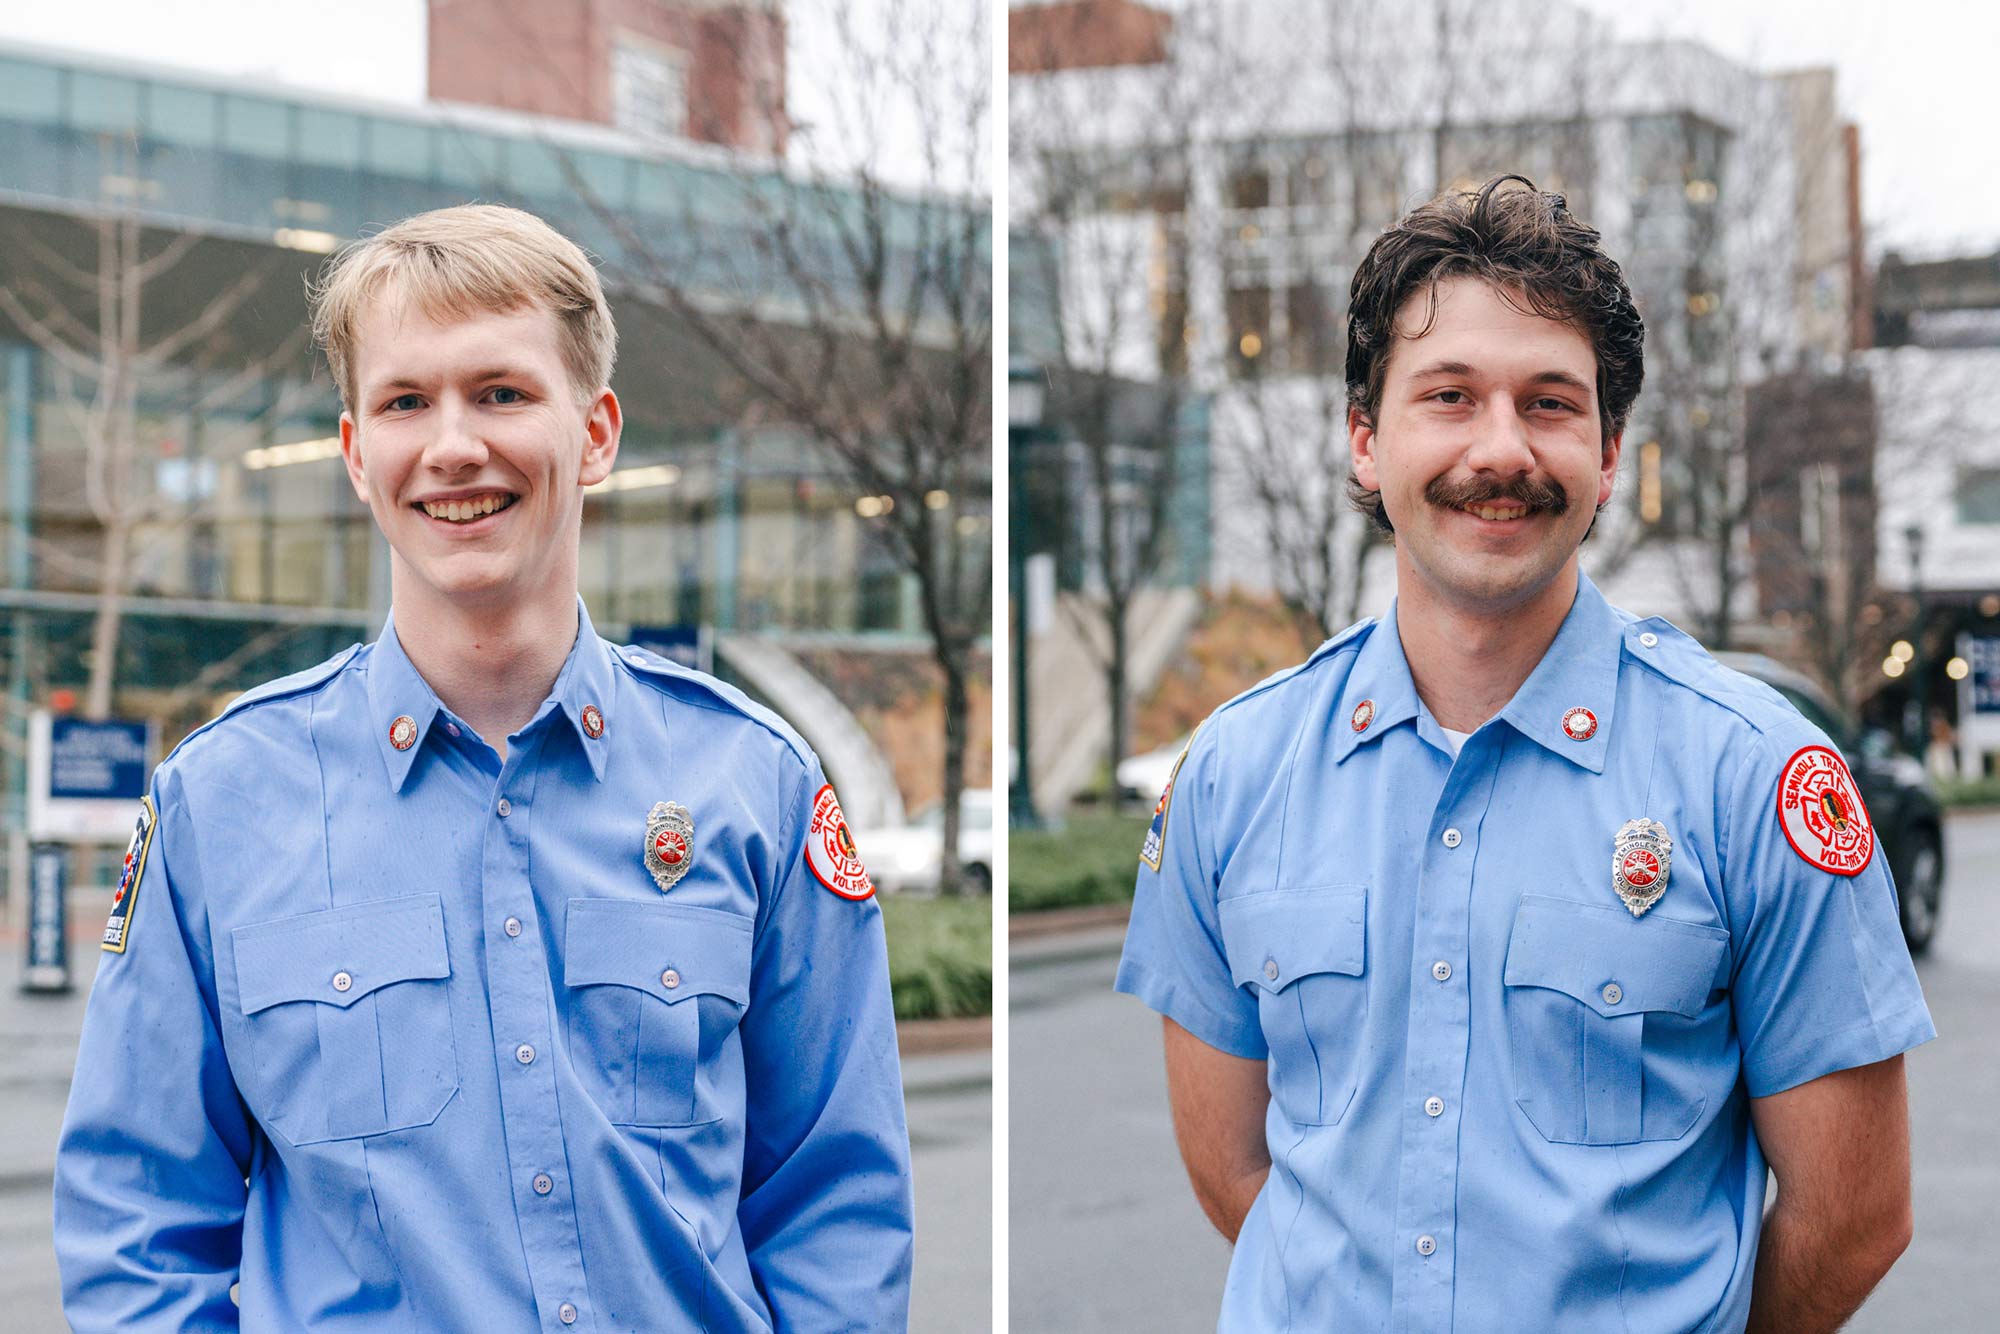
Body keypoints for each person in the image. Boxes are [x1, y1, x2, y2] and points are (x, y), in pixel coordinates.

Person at [54, 204, 913, 1332]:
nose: (453, 445)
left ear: (595, 432)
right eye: (407, 401)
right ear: (359, 455)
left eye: (501, 392)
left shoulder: (755, 784)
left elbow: (835, 1205)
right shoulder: (221, 805)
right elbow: (136, 1226)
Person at [1116, 177, 1933, 1333]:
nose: (1498, 448)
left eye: (1548, 404)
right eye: (1446, 396)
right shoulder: (1232, 773)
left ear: (1606, 452)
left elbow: (1851, 1214)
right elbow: (1235, 1176)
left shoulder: (1750, 776)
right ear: (1364, 440)